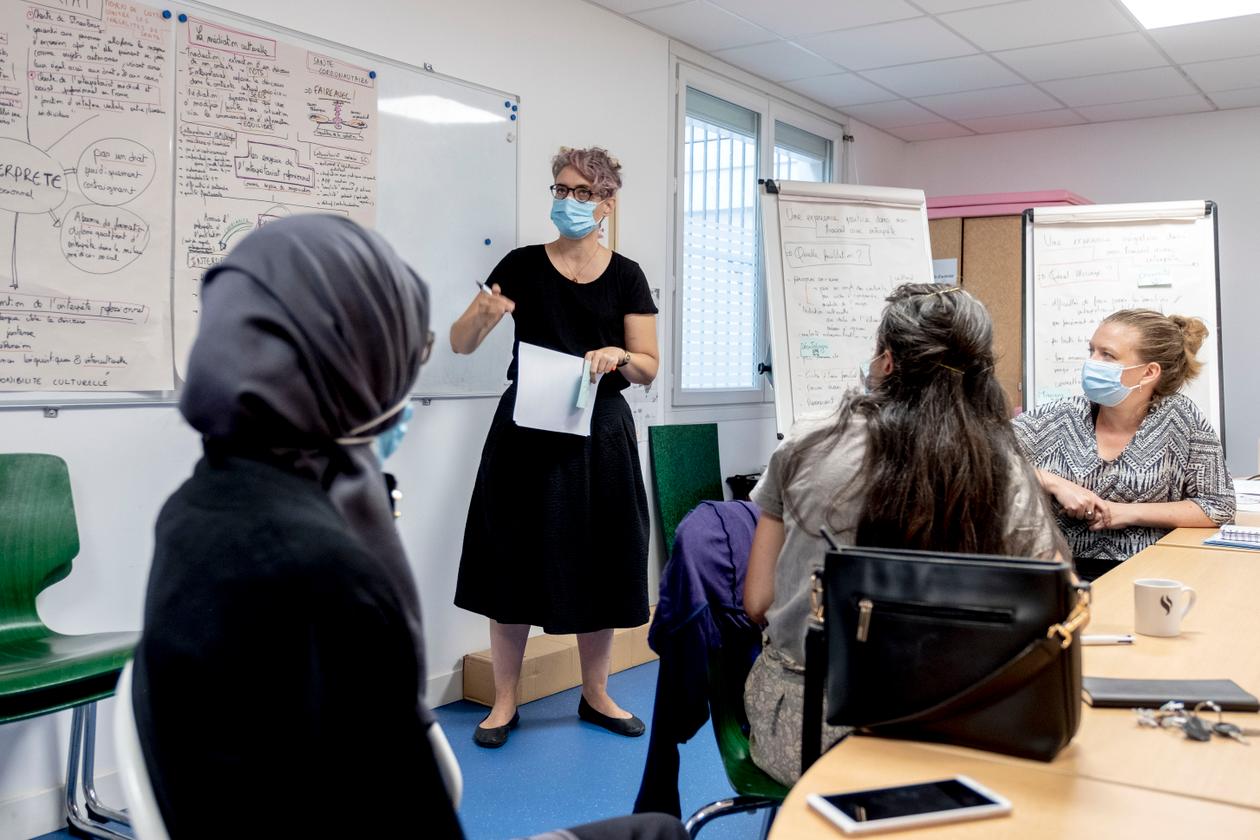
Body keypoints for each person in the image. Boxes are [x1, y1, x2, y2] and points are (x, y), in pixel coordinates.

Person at [132, 215, 686, 840]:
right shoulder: (325, 561)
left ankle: (597, 690)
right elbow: (408, 802)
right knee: (660, 832)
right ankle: (511, 701)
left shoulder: (200, 507)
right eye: (395, 357)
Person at [741, 284, 1062, 786]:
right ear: (979, 370)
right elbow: (1043, 598)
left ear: (887, 362)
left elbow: (759, 602)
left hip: (811, 733)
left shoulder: (807, 445)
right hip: (962, 729)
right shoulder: (1002, 465)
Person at [451, 147, 659, 748]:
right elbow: (463, 344)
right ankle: (506, 702)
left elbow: (647, 366)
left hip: (600, 434)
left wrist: (620, 356)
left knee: (599, 557)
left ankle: (595, 695)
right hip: (525, 431)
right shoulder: (519, 264)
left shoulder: (627, 275)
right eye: (560, 190)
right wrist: (484, 313)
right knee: (512, 556)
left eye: (582, 193)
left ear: (607, 203)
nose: (568, 202)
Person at [1012, 309, 1235, 580]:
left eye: (1107, 355)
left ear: (1149, 372)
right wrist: (1054, 483)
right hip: (1059, 570)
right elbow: (986, 455)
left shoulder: (1182, 419)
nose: (1092, 362)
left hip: (1153, 570)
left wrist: (1127, 513)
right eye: (1091, 350)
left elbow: (1218, 506)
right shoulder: (1061, 415)